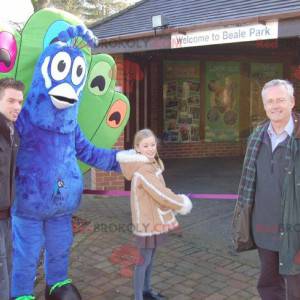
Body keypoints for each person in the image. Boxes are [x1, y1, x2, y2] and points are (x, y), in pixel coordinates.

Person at [232, 79, 300, 300]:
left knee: (297, 287)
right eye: (269, 101)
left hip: (296, 230)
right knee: (269, 285)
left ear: (292, 102)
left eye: (280, 99)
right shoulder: (256, 138)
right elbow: (248, 184)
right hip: (265, 227)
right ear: (264, 105)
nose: (275, 105)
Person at [117, 128, 193, 300]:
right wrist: (181, 203)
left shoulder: (152, 164)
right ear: (137, 148)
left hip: (155, 219)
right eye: (146, 146)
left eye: (152, 144)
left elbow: (161, 191)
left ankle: (146, 290)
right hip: (146, 223)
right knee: (143, 260)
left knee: (150, 258)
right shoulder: (144, 170)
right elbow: (161, 194)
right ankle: (139, 296)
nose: (151, 148)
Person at [0, 78, 24, 300]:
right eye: (11, 100)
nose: (17, 106)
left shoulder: (13, 132)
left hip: (7, 215)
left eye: (20, 101)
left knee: (7, 265)